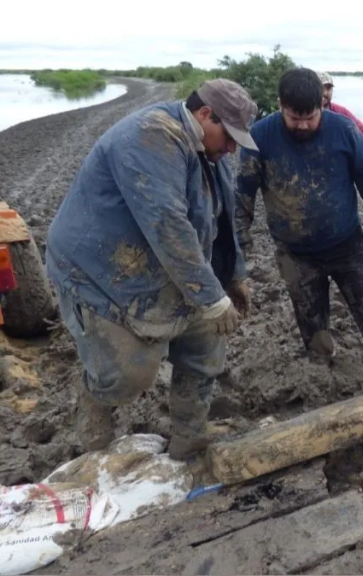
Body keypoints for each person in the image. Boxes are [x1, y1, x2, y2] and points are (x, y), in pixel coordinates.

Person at [46, 79, 257, 460]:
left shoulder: (211, 154)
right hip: (102, 271)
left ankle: (188, 437)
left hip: (166, 264)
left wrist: (234, 277)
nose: (230, 149)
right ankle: (95, 396)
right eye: (228, 137)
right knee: (129, 375)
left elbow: (223, 222)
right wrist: (210, 296)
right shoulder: (150, 136)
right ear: (205, 114)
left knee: (207, 344)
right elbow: (167, 223)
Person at [235, 67, 363, 371]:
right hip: (294, 250)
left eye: (310, 117)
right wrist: (241, 235)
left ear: (322, 104)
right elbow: (243, 190)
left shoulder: (343, 129)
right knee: (309, 310)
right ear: (280, 105)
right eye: (294, 118)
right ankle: (320, 357)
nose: (303, 125)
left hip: (346, 240)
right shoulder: (259, 137)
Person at [317, 71, 363, 140]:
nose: (324, 93)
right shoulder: (304, 113)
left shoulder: (340, 111)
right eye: (321, 88)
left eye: (328, 88)